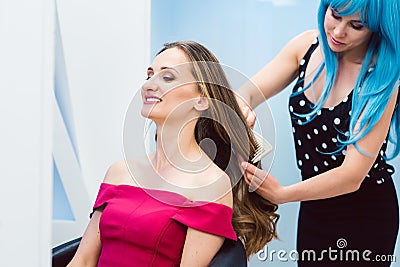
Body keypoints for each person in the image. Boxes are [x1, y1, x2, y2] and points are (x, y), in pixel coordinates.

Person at [67, 41, 279, 267]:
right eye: (149, 75)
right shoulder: (119, 172)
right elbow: (83, 260)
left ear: (202, 100)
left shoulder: (212, 184)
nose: (149, 85)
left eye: (167, 78)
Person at [238, 0, 399, 266]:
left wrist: (282, 193)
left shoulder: (380, 78)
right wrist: (243, 107)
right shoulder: (307, 46)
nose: (337, 32)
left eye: (356, 26)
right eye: (334, 15)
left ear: (375, 28)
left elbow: (351, 176)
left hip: (365, 215)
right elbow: (249, 92)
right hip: (314, 204)